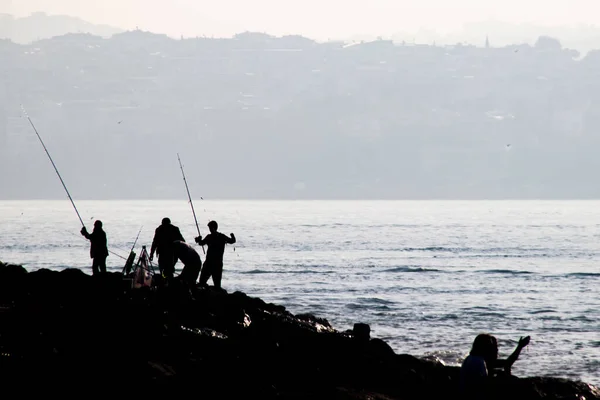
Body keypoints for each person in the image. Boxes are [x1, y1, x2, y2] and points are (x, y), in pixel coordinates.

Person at [460, 333, 530, 398]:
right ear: (485, 348)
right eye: (493, 347)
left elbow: (507, 363)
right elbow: (481, 385)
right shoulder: (478, 361)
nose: (497, 350)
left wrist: (520, 346)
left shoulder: (472, 358)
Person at [194, 220, 235, 288]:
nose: (210, 230)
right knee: (216, 285)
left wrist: (198, 240)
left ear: (213, 228)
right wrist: (232, 235)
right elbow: (232, 241)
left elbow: (201, 243)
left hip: (210, 263)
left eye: (210, 228)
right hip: (216, 263)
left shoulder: (210, 237)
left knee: (202, 282)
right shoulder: (221, 236)